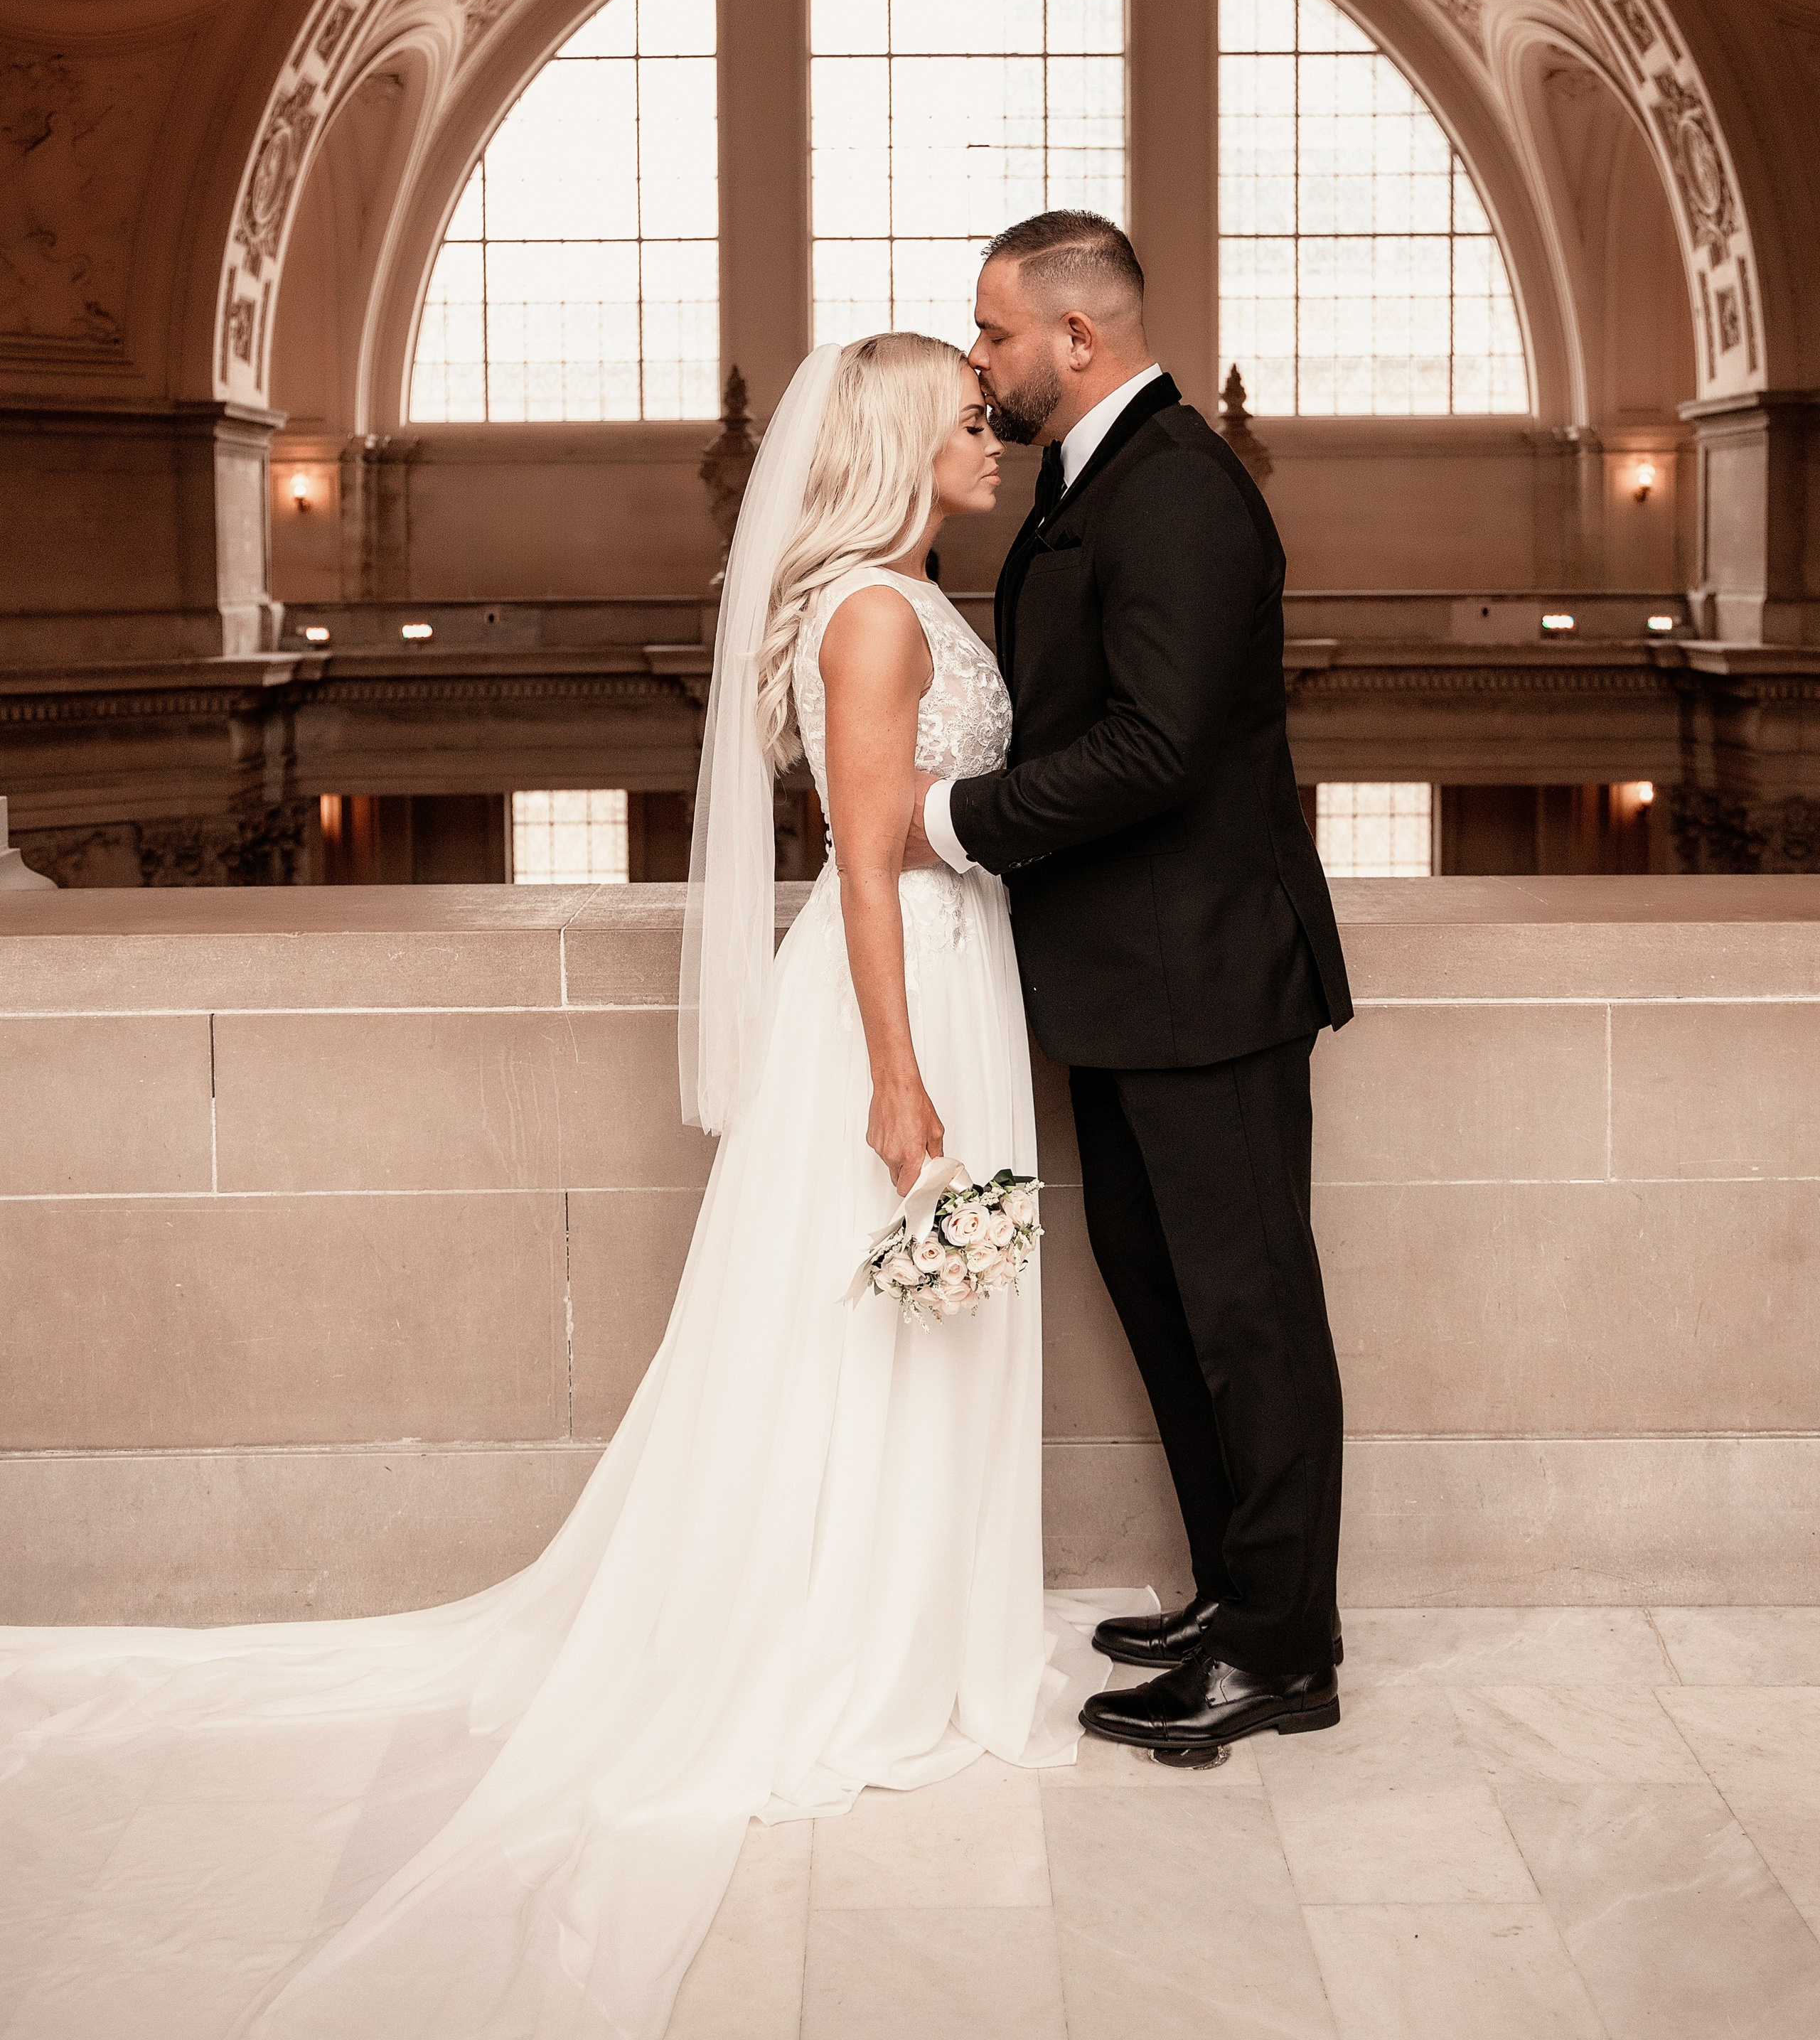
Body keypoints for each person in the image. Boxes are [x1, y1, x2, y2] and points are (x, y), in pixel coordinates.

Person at [0, 332, 1113, 2040]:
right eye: (969, 422)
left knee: (897, 1319)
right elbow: (874, 874)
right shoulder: (877, 615)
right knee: (872, 1314)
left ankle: (904, 1617)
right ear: (897, 444)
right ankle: (869, 1648)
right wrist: (902, 1080)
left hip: (945, 972)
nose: (996, 440)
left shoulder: (888, 597)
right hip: (902, 995)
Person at [906, 209, 1353, 1764]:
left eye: (992, 330)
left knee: (1249, 1322)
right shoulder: (1084, 484)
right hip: (1120, 979)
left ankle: (1285, 1653)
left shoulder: (1176, 489)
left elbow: (1157, 749)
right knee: (1164, 1300)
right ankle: (1236, 1593)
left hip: (1207, 977)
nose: (978, 358)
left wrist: (953, 822)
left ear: (1074, 339)